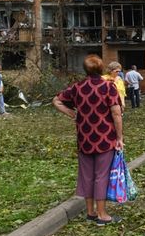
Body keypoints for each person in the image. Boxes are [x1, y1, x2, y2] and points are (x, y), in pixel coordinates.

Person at [52, 54, 123, 226]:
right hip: (105, 138)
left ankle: (90, 212)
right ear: (101, 68)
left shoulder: (77, 87)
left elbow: (56, 100)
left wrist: (71, 113)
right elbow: (116, 113)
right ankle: (102, 215)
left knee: (86, 175)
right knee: (101, 176)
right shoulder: (108, 87)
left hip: (84, 139)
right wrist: (119, 137)